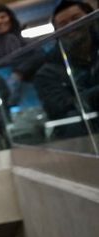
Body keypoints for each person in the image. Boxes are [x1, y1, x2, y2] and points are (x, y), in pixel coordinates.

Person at [34, 0, 98, 139]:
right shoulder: (46, 73)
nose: (71, 26)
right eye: (63, 24)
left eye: (76, 18)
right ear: (57, 32)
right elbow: (60, 110)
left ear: (90, 19)